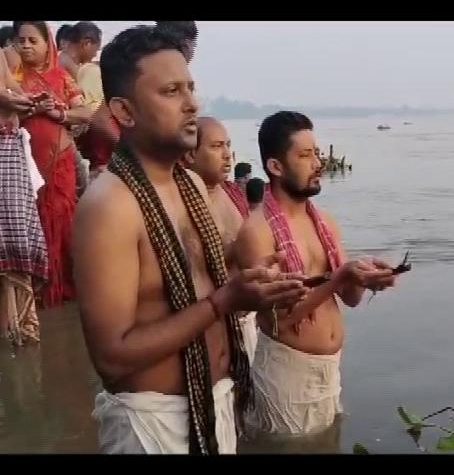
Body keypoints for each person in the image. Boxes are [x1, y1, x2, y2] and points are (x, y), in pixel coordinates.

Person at [73, 26, 308, 455]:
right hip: (153, 423)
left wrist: (254, 283)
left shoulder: (193, 187)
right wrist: (223, 302)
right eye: (170, 91)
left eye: (191, 88)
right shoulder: (110, 206)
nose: (192, 104)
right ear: (124, 111)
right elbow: (111, 357)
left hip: (217, 404)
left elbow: (198, 285)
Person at [236, 111, 400, 437]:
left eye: (317, 153)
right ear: (276, 166)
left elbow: (350, 299)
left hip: (331, 369)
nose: (318, 163)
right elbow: (278, 320)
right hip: (287, 373)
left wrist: (367, 277)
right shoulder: (256, 232)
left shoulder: (325, 222)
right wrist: (339, 277)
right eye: (305, 155)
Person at [13, 21, 92, 308]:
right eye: (21, 40)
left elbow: (85, 112)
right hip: (21, 169)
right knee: (29, 224)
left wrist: (58, 112)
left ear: (48, 44)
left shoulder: (61, 77)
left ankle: (66, 292)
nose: (26, 46)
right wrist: (25, 109)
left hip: (59, 165)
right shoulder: (11, 76)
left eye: (33, 40)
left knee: (61, 221)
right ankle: (34, 294)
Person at [183, 116, 257, 363]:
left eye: (228, 145)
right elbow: (194, 268)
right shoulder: (184, 202)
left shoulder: (230, 192)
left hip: (246, 318)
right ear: (190, 155)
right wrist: (239, 248)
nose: (227, 155)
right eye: (216, 146)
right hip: (213, 323)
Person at [0, 44, 48, 346]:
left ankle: (14, 334)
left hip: (8, 150)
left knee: (14, 240)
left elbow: (8, 85)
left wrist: (28, 99)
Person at [71, 21, 119, 180]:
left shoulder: (81, 68)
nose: (95, 54)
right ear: (86, 43)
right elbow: (96, 117)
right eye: (95, 49)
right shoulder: (91, 72)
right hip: (102, 166)